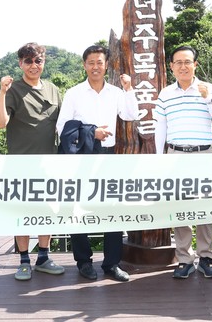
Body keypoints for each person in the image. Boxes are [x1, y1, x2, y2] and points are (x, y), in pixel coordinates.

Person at [55, 45, 139, 282]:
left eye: (99, 62)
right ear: (84, 65)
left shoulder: (116, 92)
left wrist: (129, 89)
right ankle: (83, 261)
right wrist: (92, 132)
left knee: (112, 208)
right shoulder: (74, 93)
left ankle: (112, 263)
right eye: (91, 62)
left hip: (108, 154)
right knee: (78, 208)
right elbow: (62, 127)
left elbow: (131, 115)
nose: (95, 67)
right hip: (81, 156)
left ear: (106, 65)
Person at [0, 42, 65, 281]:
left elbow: (63, 124)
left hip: (50, 164)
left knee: (48, 211)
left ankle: (43, 257)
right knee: (21, 213)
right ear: (20, 63)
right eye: (28, 61)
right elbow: (0, 123)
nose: (33, 65)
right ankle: (24, 260)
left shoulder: (53, 89)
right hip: (20, 165)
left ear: (44, 62)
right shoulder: (13, 89)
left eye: (38, 61)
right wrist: (2, 92)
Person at [154, 45, 212, 280]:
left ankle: (206, 257)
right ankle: (184, 258)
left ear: (195, 64)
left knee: (205, 206)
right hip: (176, 155)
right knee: (180, 207)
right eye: (178, 62)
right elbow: (160, 127)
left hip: (204, 155)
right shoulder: (165, 93)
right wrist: (160, 158)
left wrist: (208, 98)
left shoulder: (207, 88)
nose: (183, 66)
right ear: (171, 66)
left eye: (187, 62)